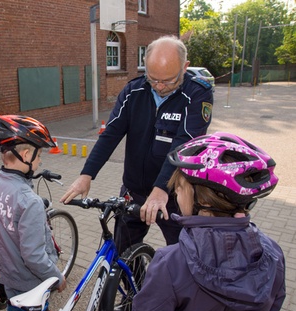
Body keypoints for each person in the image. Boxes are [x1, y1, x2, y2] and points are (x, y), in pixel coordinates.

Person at [60, 35, 214, 252]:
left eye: (168, 81)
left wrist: (161, 188)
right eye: (153, 79)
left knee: (185, 258)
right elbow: (111, 133)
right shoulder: (134, 90)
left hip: (174, 195)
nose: (159, 87)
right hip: (134, 190)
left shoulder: (197, 93)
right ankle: (135, 285)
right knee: (122, 254)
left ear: (185, 67)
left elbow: (185, 144)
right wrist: (87, 174)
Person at [131, 132, 286, 311]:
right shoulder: (273, 252)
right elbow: (272, 307)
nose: (175, 193)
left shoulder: (170, 263)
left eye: (179, 187)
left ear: (202, 200)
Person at [0, 115, 67, 311]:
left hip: (9, 277)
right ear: (27, 154)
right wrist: (57, 277)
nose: (40, 161)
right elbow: (34, 256)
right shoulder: (30, 201)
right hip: (31, 285)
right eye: (39, 155)